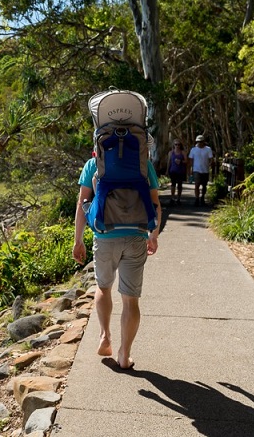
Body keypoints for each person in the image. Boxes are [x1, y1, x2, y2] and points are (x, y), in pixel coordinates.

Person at [72, 156, 161, 370]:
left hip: (104, 236)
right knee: (131, 300)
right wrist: (153, 234)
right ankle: (124, 355)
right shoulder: (142, 163)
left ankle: (104, 337)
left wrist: (78, 240)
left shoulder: (94, 164)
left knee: (103, 287)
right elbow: (155, 203)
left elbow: (82, 202)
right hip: (136, 235)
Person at [188, 135, 214, 206]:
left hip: (205, 170)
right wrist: (190, 169)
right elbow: (191, 160)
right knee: (197, 184)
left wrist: (209, 165)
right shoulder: (193, 150)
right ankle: (197, 199)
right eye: (198, 141)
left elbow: (211, 159)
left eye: (201, 141)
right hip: (196, 170)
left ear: (203, 142)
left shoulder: (208, 149)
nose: (199, 143)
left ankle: (202, 197)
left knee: (204, 185)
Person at [166, 139, 188, 206]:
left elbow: (186, 161)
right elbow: (169, 162)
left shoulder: (183, 152)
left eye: (178, 144)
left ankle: (178, 199)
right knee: (173, 185)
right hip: (173, 171)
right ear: (173, 145)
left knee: (179, 185)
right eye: (176, 144)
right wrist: (167, 170)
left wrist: (181, 161)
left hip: (180, 171)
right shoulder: (170, 153)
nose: (177, 146)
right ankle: (172, 198)